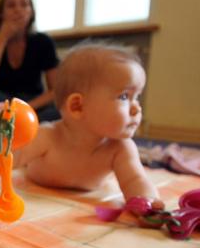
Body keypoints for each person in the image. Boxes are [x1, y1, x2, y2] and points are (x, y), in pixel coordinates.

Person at [14, 42, 163, 207]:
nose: (137, 108)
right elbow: (6, 158)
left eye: (137, 97)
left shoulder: (120, 148)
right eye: (124, 96)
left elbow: (135, 180)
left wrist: (147, 202)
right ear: (77, 106)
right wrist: (6, 141)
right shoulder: (47, 136)